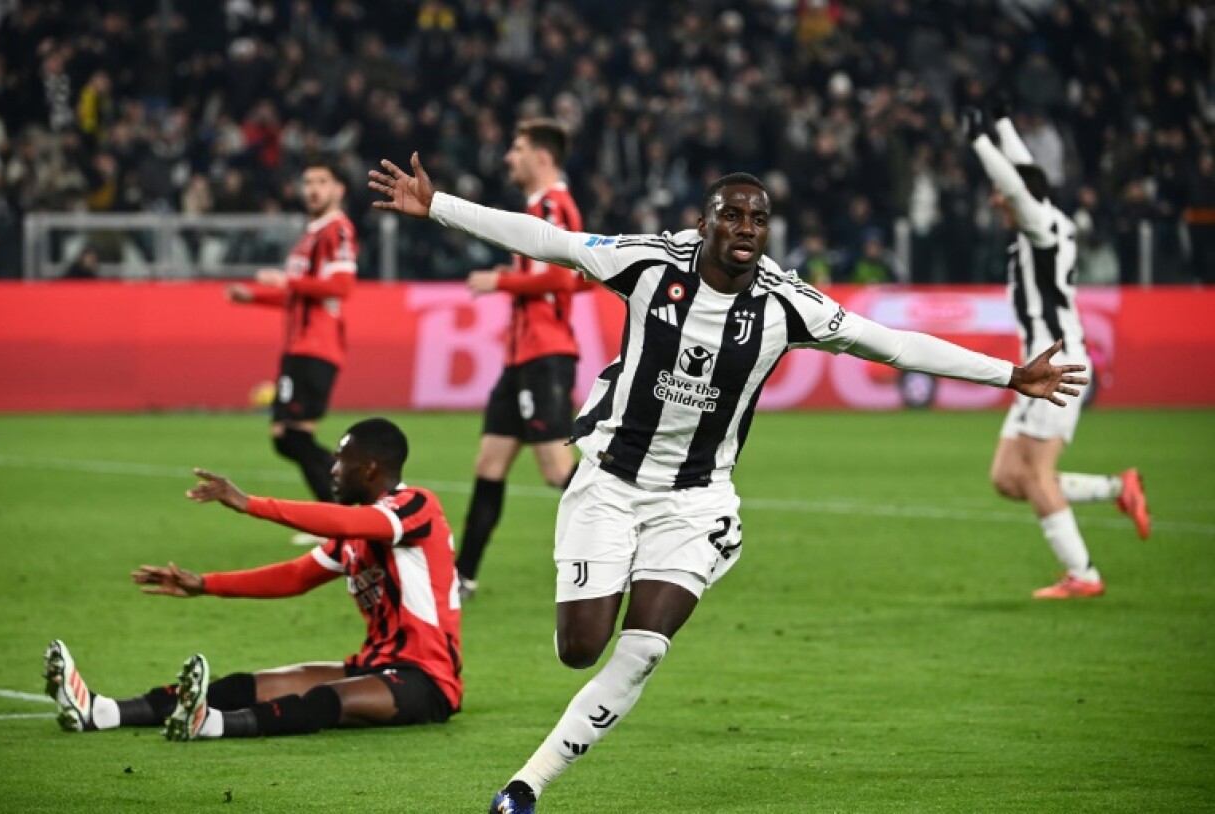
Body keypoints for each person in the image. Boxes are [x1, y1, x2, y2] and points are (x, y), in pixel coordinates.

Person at [368, 154, 1086, 813]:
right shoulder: (649, 264)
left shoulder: (786, 303)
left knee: (645, 647)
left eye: (759, 219)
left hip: (697, 498)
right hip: (611, 481)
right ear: (703, 223)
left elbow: (891, 343)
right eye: (732, 216)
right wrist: (438, 207)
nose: (747, 229)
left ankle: (525, 786)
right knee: (580, 647)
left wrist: (1009, 372)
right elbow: (547, 240)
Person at [44, 418, 462, 741]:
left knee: (325, 698)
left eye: (340, 459)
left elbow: (346, 519)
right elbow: (295, 576)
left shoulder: (416, 507)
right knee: (246, 685)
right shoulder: (357, 534)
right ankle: (102, 711)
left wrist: (251, 504)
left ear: (370, 468)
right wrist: (206, 584)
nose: (332, 469)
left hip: (425, 680)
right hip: (372, 665)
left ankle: (211, 726)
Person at [963, 99, 1151, 601]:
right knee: (1008, 477)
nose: (996, 202)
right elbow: (1029, 178)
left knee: (1034, 474)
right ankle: (1119, 487)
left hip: (1055, 368)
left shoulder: (1039, 228)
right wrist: (1003, 124)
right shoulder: (1054, 221)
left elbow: (1021, 186)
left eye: (1000, 195)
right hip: (1039, 367)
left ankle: (1083, 574)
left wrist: (980, 141)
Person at [456, 119, 586, 600]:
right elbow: (581, 275)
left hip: (544, 354)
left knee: (556, 469)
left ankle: (636, 538)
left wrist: (502, 281)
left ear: (542, 158)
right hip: (522, 357)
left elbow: (561, 280)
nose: (509, 157)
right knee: (489, 462)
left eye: (517, 148)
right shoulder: (541, 207)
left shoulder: (551, 205)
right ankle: (461, 576)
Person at [226, 159, 358, 514]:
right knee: (286, 439)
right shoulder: (310, 236)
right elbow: (295, 295)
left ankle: (350, 498)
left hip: (318, 346)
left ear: (338, 189)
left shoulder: (338, 231)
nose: (313, 189)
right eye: (308, 182)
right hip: (298, 346)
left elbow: (342, 286)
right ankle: (336, 515)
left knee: (293, 438)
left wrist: (287, 281)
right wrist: (253, 296)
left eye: (322, 181)